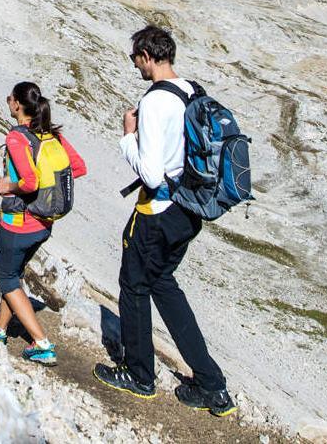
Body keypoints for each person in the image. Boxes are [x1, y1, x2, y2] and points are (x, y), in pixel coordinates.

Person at [93, 25, 236, 417]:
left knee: (134, 285)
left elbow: (153, 174)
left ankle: (139, 376)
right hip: (189, 210)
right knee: (164, 286)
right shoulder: (191, 90)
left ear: (146, 56)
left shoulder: (155, 102)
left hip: (157, 211)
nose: (135, 65)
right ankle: (212, 386)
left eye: (134, 58)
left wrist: (128, 138)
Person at [0, 81, 87, 366]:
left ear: (17, 104)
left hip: (17, 223)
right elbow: (78, 167)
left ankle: (41, 343)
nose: (8, 103)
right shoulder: (52, 136)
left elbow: (29, 182)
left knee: (7, 278)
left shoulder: (17, 138)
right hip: (44, 225)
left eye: (9, 99)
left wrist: (8, 186)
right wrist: (48, 193)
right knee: (13, 274)